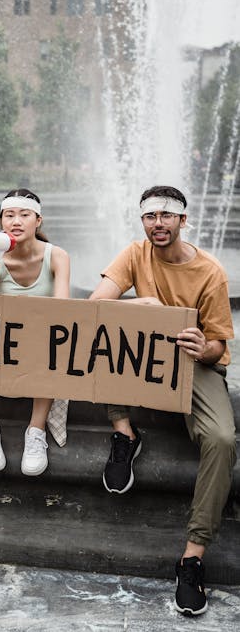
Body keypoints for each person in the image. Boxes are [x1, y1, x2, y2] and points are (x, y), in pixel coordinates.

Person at [89, 185, 237, 617]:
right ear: (143, 221)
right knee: (97, 341)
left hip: (194, 366)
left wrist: (199, 347)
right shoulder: (134, 253)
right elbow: (96, 304)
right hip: (144, 358)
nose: (158, 224)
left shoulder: (211, 272)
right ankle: (124, 433)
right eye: (150, 216)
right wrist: (140, 304)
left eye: (166, 216)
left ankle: (192, 558)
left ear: (182, 221)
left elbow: (219, 348)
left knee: (224, 440)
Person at [0, 188, 70, 477]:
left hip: (41, 342)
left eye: (24, 215)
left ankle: (36, 430)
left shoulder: (57, 256)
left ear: (38, 221)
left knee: (53, 349)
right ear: (1, 221)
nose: (16, 221)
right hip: (2, 344)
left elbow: (63, 309)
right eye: (9, 215)